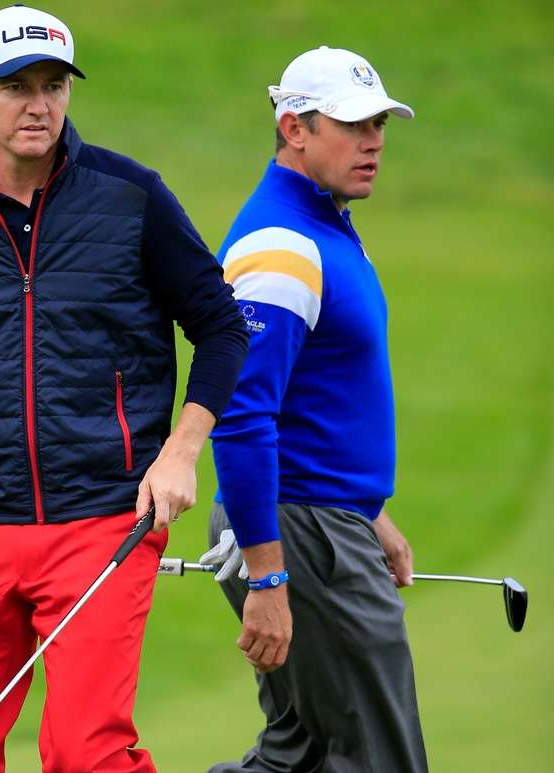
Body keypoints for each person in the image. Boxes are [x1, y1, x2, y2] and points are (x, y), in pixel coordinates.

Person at [0, 5, 247, 772]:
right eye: (16, 85)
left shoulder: (131, 196)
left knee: (87, 753)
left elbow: (220, 326)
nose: (39, 104)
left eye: (53, 85)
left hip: (103, 517)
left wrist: (181, 452)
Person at [200, 46, 429, 772]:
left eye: (380, 125)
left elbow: (317, 398)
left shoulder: (325, 226)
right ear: (294, 127)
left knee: (300, 752)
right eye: (353, 125)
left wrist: (368, 511)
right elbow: (239, 416)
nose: (374, 143)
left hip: (322, 519)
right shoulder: (283, 245)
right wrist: (269, 577)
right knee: (378, 757)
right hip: (300, 533)